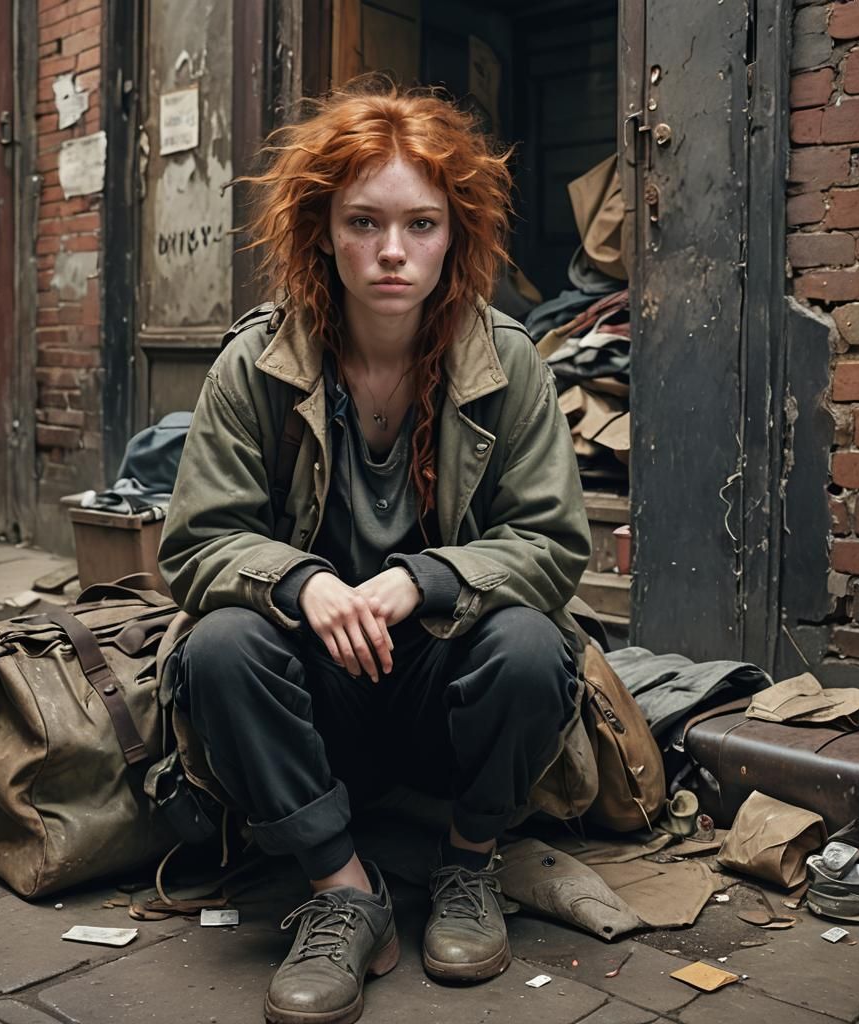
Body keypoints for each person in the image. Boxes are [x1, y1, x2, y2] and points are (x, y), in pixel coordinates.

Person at [159, 78, 592, 1024]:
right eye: (363, 222)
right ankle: (345, 890)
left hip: (443, 689)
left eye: (422, 225)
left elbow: (553, 544)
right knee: (217, 647)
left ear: (456, 233)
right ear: (322, 228)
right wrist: (299, 582)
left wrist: (422, 579)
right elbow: (195, 542)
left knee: (531, 646)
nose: (392, 252)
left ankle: (469, 865)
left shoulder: (507, 360)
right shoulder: (256, 365)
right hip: (320, 699)